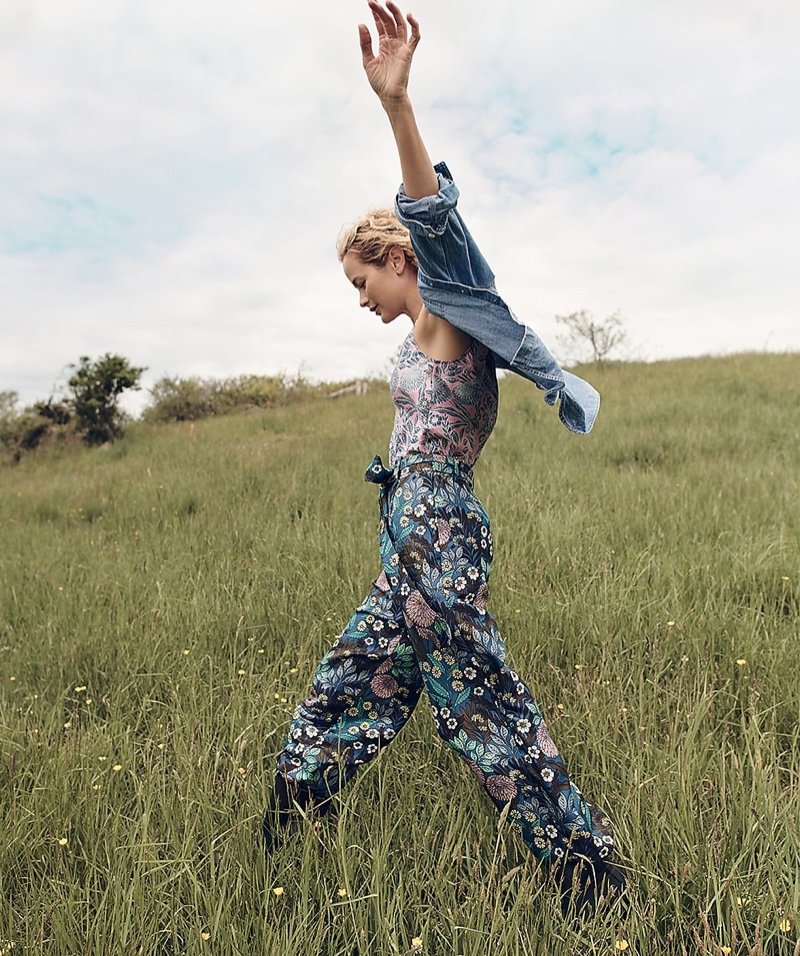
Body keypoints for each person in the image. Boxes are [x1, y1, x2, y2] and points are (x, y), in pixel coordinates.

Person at [263, 0, 626, 917]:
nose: (360, 301)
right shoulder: (423, 326)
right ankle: (287, 827)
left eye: (362, 282)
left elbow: (433, 210)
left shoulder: (447, 310)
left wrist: (397, 107)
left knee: (481, 702)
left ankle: (588, 872)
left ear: (397, 258)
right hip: (409, 535)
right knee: (352, 675)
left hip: (439, 530)